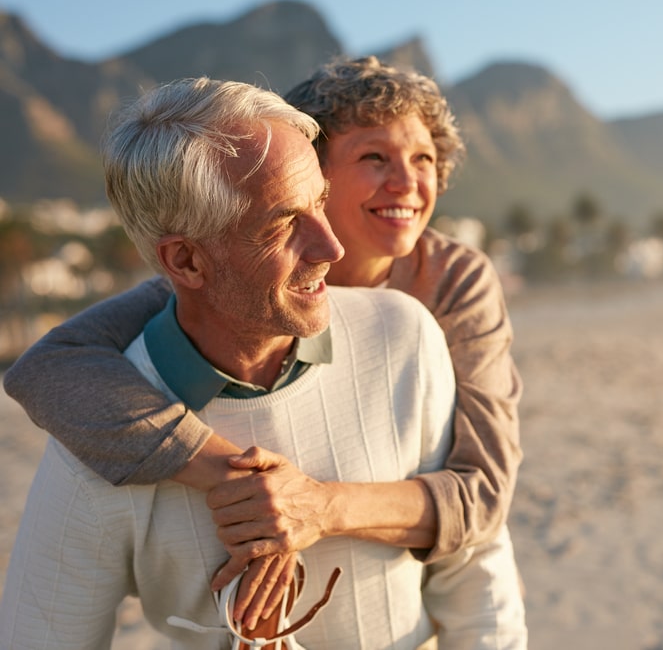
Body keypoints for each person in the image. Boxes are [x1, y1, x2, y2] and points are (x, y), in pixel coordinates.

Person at [0, 77, 526, 649]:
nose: (333, 249)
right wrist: (238, 481)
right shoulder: (95, 434)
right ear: (186, 262)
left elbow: (478, 556)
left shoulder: (410, 333)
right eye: (282, 224)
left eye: (320, 203)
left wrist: (316, 506)